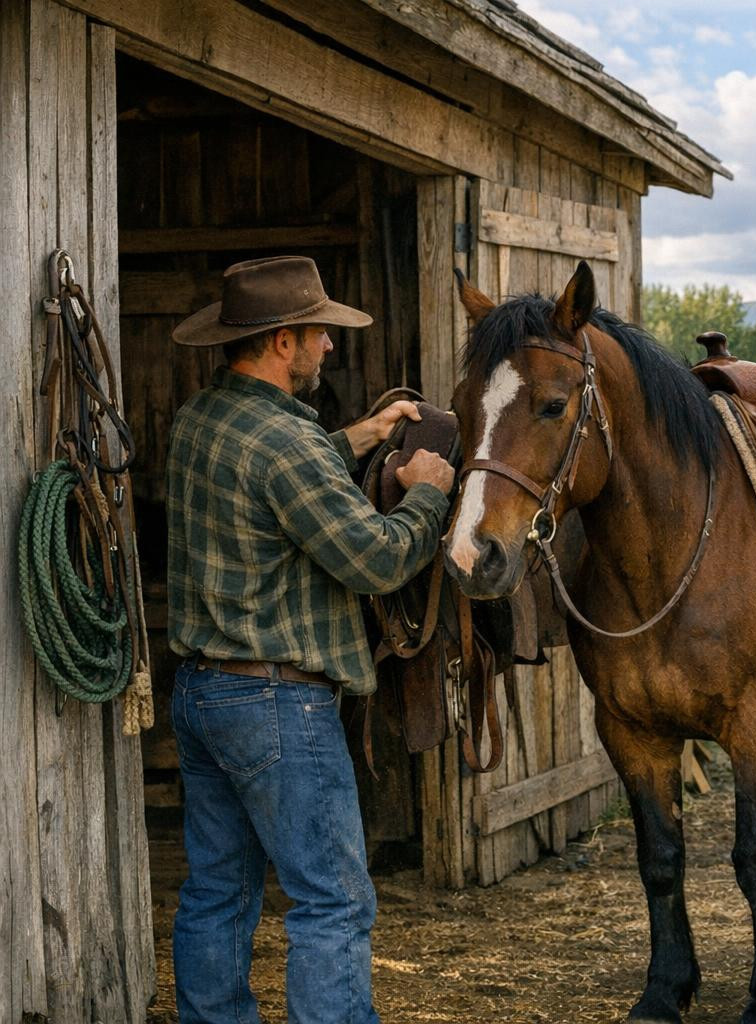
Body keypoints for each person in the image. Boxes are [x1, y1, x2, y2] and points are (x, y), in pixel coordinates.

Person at [166, 256, 455, 1023]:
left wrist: (362, 435)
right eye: (320, 333)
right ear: (283, 341)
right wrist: (427, 496)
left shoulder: (201, 419)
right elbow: (377, 560)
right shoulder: (285, 446)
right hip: (277, 703)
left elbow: (274, 472)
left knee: (217, 890)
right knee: (332, 899)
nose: (331, 346)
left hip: (201, 693)